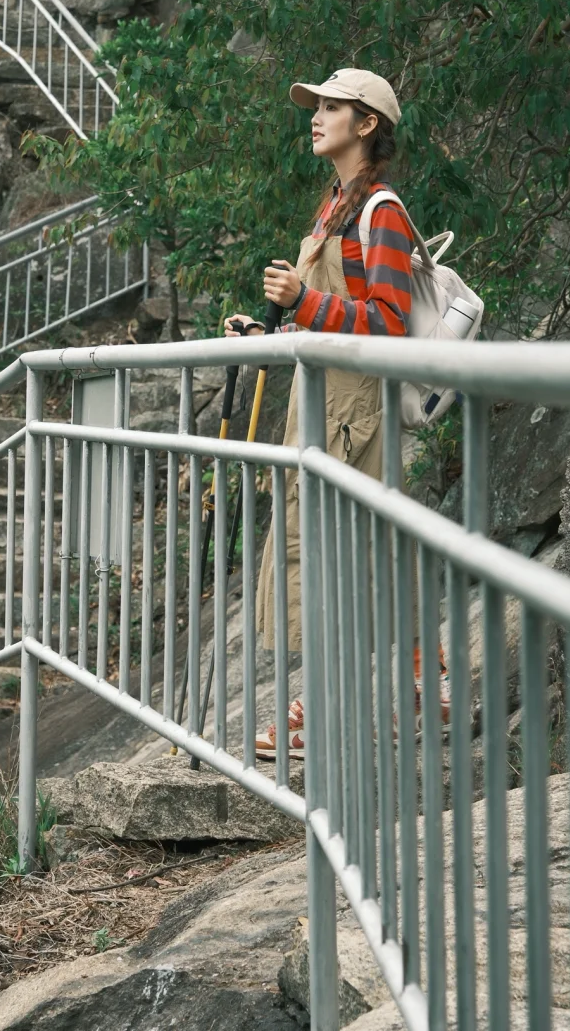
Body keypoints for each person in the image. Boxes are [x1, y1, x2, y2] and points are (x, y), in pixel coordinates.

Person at [224, 67, 414, 758]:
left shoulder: (380, 210)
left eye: (332, 106)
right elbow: (332, 320)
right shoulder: (335, 204)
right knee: (327, 555)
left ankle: (331, 709)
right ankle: (397, 686)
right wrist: (270, 332)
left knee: (329, 559)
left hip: (352, 416)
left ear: (366, 124)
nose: (316, 115)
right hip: (321, 407)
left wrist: (303, 302)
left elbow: (391, 324)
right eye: (316, 105)